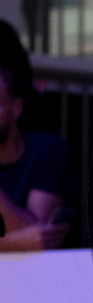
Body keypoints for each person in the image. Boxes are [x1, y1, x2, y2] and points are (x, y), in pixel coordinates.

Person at [0, 65, 73, 251]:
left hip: (38, 275)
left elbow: (37, 236)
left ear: (16, 108)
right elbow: (26, 240)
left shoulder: (47, 150)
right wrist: (14, 243)